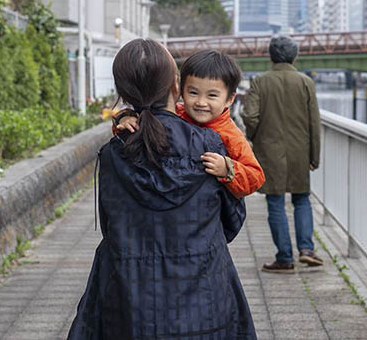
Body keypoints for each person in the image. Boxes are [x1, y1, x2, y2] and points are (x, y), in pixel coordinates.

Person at [68, 39, 255, 339]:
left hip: (128, 300)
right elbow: (231, 222)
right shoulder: (209, 146)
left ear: (124, 92)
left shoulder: (115, 152)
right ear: (176, 85)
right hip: (204, 297)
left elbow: (110, 226)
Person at [113, 49, 265, 198]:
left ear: (230, 99)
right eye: (193, 92)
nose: (201, 102)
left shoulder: (231, 135)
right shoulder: (174, 113)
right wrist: (125, 118)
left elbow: (256, 177)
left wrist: (229, 169)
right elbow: (144, 119)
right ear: (180, 90)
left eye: (212, 95)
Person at [241, 35, 323, 274]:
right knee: (301, 199)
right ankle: (306, 249)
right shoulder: (306, 82)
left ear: (271, 55)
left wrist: (255, 137)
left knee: (275, 202)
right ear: (295, 56)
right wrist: (314, 157)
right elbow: (314, 123)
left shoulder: (260, 83)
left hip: (270, 150)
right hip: (300, 151)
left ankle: (285, 258)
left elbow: (250, 116)